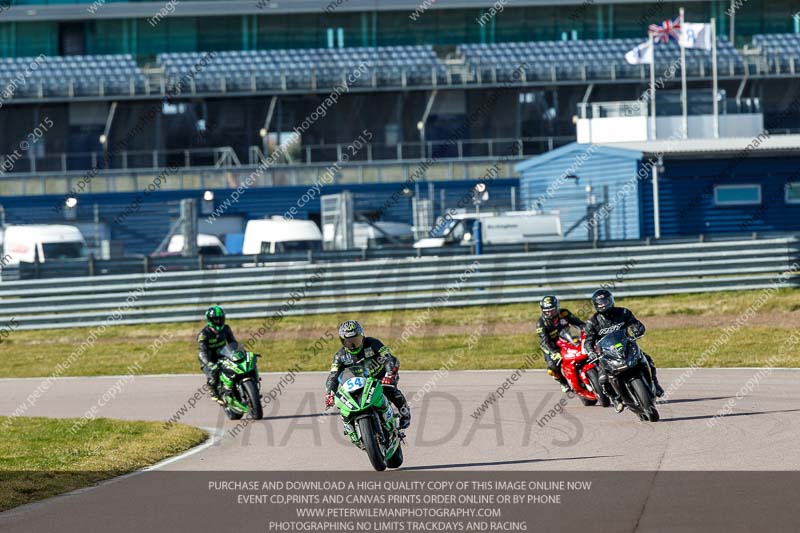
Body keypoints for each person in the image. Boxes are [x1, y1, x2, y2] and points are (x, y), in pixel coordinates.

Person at [584, 289, 664, 413]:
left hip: (627, 346)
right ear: (595, 305)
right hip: (607, 354)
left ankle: (655, 384)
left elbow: (635, 324)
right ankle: (616, 398)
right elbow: (588, 341)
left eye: (606, 301)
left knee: (647, 359)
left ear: (611, 300)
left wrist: (638, 329)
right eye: (600, 303)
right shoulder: (592, 322)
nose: (604, 304)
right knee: (603, 378)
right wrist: (591, 352)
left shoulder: (623, 312)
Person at [324, 320, 411, 432]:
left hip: (381, 376)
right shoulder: (340, 356)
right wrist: (329, 393)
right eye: (349, 342)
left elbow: (389, 357)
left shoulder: (372, 343)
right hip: (360, 381)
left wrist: (389, 374)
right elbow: (333, 376)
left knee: (388, 389)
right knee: (345, 398)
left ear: (362, 336)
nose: (353, 345)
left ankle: (405, 413)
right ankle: (350, 427)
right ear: (342, 341)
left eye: (356, 340)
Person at [536, 295, 585, 393]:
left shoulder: (564, 313)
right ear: (543, 310)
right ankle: (563, 382)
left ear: (557, 308)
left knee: (583, 351)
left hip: (568, 339)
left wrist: (586, 328)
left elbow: (578, 323)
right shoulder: (540, 323)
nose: (550, 313)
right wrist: (553, 352)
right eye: (547, 311)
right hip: (551, 345)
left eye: (553, 310)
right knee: (552, 367)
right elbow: (544, 341)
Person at [197, 305, 237, 405]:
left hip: (223, 355)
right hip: (208, 359)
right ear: (210, 320)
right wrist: (209, 364)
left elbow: (233, 343)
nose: (219, 321)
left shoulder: (226, 329)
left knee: (238, 368)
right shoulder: (204, 334)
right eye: (216, 320)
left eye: (221, 319)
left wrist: (238, 353)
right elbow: (202, 352)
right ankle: (213, 391)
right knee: (213, 375)